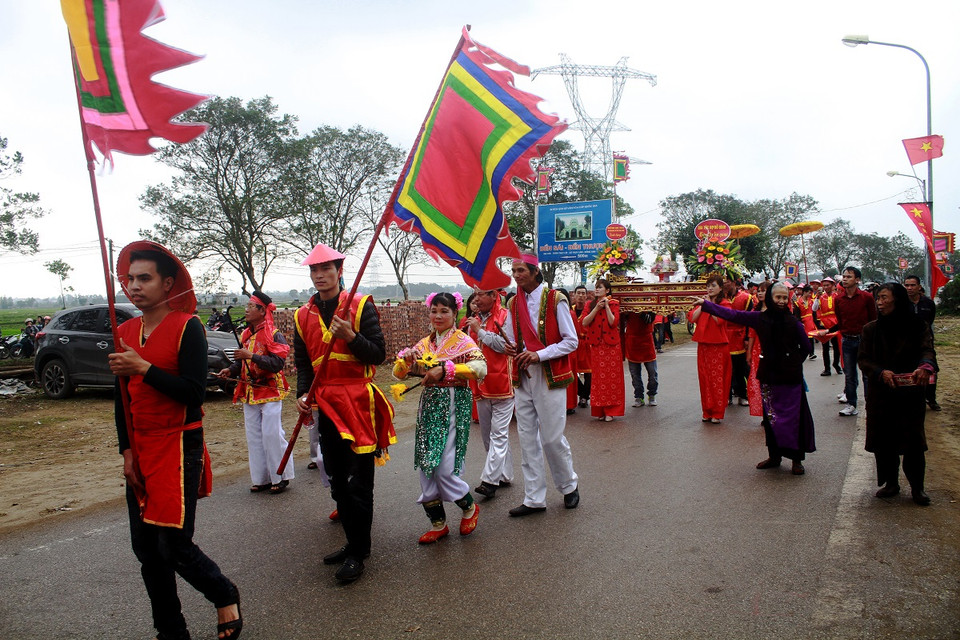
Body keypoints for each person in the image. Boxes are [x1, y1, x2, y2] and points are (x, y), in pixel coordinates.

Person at [108, 241, 241, 640]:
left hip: (180, 444)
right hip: (141, 447)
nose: (134, 286)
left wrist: (144, 367)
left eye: (144, 278)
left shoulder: (189, 327)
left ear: (167, 284)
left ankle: (224, 593)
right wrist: (127, 452)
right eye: (130, 279)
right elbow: (122, 401)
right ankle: (170, 628)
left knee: (175, 545)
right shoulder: (124, 331)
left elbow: (193, 394)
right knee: (146, 550)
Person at [293, 242, 397, 584]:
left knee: (356, 484)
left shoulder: (360, 305)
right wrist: (302, 394)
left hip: (357, 404)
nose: (320, 275)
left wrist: (351, 336)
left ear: (340, 271)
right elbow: (305, 364)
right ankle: (353, 541)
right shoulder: (301, 316)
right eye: (314, 270)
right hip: (325, 406)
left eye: (326, 269)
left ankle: (358, 552)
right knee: (337, 481)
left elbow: (378, 355)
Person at [394, 292, 486, 543]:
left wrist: (446, 369)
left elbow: (480, 368)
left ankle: (469, 507)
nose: (438, 316)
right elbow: (399, 374)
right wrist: (405, 361)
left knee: (444, 467)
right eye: (434, 310)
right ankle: (438, 523)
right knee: (426, 463)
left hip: (454, 403)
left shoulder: (464, 341)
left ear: (455, 313)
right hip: (430, 406)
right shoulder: (424, 344)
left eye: (444, 311)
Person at [697, 282, 816, 475]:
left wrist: (792, 363)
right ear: (770, 298)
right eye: (778, 297)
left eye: (785, 297)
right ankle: (774, 456)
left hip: (791, 380)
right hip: (769, 376)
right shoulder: (760, 318)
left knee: (794, 419)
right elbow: (733, 315)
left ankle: (796, 460)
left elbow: (807, 348)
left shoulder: (794, 322)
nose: (781, 301)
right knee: (771, 419)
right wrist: (706, 304)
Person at [499, 254, 580, 516]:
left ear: (535, 272)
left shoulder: (556, 300)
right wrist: (504, 344)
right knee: (526, 438)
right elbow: (511, 339)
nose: (516, 275)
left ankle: (568, 486)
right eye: (513, 270)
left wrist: (539, 354)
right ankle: (534, 498)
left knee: (552, 438)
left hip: (549, 376)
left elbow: (571, 341)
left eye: (521, 270)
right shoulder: (513, 303)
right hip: (524, 377)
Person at [858, 282, 937, 505]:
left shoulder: (918, 326)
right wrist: (881, 372)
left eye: (884, 298)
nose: (880, 303)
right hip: (881, 394)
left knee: (913, 441)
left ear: (897, 299)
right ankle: (891, 483)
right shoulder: (871, 329)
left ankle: (917, 487)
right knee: (884, 441)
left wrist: (925, 367)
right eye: (878, 299)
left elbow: (927, 350)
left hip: (910, 394)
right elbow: (863, 360)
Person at [217, 292, 294, 495]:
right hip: (249, 390)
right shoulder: (245, 334)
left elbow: (277, 363)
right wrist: (231, 370)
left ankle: (281, 475)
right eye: (247, 306)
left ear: (262, 311)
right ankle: (262, 478)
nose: (247, 309)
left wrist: (251, 356)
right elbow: (241, 361)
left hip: (269, 390)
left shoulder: (273, 334)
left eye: (252, 306)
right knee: (254, 436)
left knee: (272, 434)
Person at [463, 289, 515, 498]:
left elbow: (507, 346)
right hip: (480, 384)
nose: (476, 299)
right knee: (487, 436)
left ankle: (489, 480)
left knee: (499, 433)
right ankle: (505, 474)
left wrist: (481, 331)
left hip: (502, 382)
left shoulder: (505, 316)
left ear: (494, 295)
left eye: (481, 294)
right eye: (474, 295)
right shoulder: (473, 320)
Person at [831, 266, 877, 416]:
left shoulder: (866, 297)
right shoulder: (838, 299)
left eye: (849, 277)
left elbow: (873, 319)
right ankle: (851, 404)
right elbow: (840, 318)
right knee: (850, 374)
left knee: (866, 374)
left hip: (864, 340)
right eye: (844, 276)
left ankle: (871, 404)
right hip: (847, 340)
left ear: (857, 280)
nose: (845, 279)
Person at [688, 274, 730, 424]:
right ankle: (707, 410)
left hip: (718, 346)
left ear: (720, 288)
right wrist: (703, 304)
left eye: (713, 285)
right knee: (705, 379)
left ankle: (717, 413)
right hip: (703, 345)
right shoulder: (702, 302)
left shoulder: (725, 304)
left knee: (717, 380)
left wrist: (709, 306)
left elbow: (719, 320)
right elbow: (693, 319)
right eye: (708, 286)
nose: (710, 288)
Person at [582, 278, 625, 421]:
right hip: (596, 344)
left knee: (612, 377)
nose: (597, 290)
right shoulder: (590, 304)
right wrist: (596, 308)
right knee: (598, 379)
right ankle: (600, 410)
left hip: (611, 345)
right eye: (596, 287)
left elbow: (613, 323)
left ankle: (611, 411)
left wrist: (606, 307)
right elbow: (584, 322)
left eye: (600, 287)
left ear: (607, 290)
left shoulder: (614, 304)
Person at [904, 274, 940, 411]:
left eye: (912, 285)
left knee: (930, 370)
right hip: (906, 344)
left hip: (926, 343)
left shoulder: (928, 303)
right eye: (907, 285)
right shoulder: (901, 304)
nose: (909, 288)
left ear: (919, 287)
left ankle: (931, 399)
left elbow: (930, 321)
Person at [722, 278, 751, 405]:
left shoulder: (746, 298)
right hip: (724, 335)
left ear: (734, 282)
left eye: (727, 281)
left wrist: (746, 338)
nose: (725, 284)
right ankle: (726, 395)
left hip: (740, 335)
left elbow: (750, 319)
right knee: (726, 368)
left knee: (740, 368)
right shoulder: (720, 298)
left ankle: (742, 395)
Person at [624, 312, 658, 407]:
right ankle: (638, 396)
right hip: (632, 340)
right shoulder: (627, 303)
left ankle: (652, 394)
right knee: (635, 374)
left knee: (652, 372)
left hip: (646, 339)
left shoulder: (650, 304)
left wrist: (642, 312)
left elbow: (650, 319)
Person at [816, 277, 843, 376]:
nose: (826, 287)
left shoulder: (837, 296)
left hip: (835, 322)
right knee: (825, 347)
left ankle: (836, 364)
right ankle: (827, 368)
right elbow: (814, 308)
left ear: (832, 285)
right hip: (824, 323)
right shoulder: (821, 297)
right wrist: (817, 298)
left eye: (828, 285)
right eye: (824, 285)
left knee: (836, 346)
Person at [571, 285, 592, 408]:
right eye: (578, 293)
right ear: (574, 295)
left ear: (586, 295)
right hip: (574, 344)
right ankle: (583, 394)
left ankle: (584, 397)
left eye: (583, 293)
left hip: (587, 343)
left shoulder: (590, 310)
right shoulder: (570, 310)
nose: (581, 295)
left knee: (589, 372)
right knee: (573, 372)